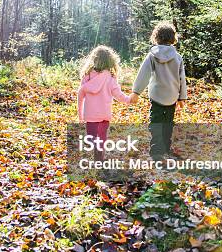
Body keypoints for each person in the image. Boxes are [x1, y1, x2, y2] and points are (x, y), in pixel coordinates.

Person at [130, 22, 187, 160]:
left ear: (156, 37)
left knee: (156, 122)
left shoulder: (152, 55)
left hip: (156, 96)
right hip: (172, 96)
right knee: (168, 123)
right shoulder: (177, 57)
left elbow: (144, 74)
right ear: (173, 38)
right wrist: (182, 97)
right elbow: (182, 78)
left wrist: (136, 92)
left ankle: (156, 151)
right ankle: (166, 149)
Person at [78, 45, 132, 161]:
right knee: (102, 138)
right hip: (104, 115)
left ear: (94, 59)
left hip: (90, 115)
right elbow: (118, 94)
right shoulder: (110, 78)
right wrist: (129, 99)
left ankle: (97, 154)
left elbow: (81, 94)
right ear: (110, 61)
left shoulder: (87, 76)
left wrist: (80, 114)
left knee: (91, 137)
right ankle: (99, 158)